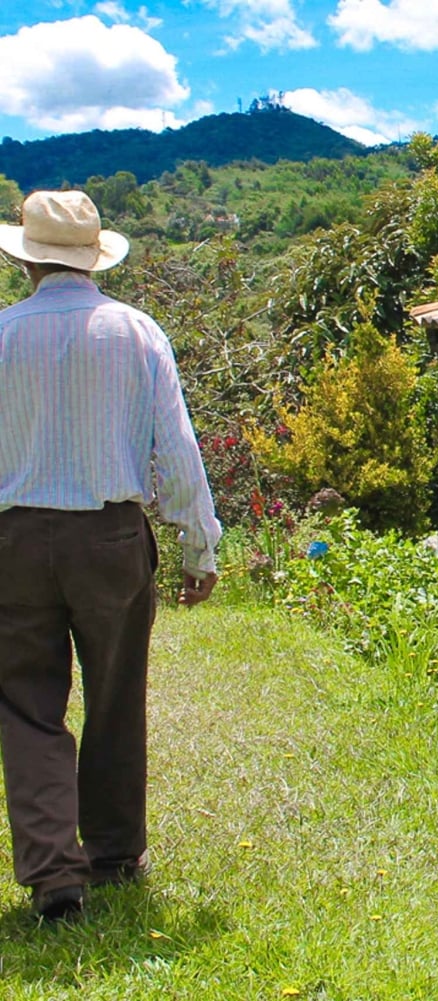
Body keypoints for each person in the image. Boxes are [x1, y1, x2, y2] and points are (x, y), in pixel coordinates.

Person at [0, 190, 221, 922]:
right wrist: (199, 545)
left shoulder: (2, 336)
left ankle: (53, 874)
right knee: (116, 695)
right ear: (95, 259)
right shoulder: (136, 334)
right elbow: (177, 449)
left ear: (26, 259)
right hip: (112, 537)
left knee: (26, 705)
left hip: (16, 543)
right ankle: (116, 851)